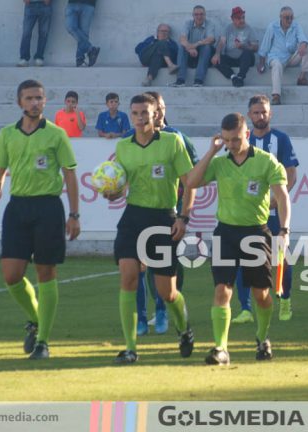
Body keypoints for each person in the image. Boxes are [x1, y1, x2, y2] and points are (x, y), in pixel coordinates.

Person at [0, 79, 80, 360]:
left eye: (39, 98)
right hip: (17, 208)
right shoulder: (6, 135)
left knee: (45, 273)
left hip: (48, 208)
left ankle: (43, 342)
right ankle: (36, 320)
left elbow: (70, 175)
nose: (35, 102)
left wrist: (74, 214)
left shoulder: (57, 134)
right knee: (11, 275)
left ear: (45, 101)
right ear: (19, 102)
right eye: (29, 98)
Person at [185, 113, 290, 366]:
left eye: (235, 139)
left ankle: (262, 338)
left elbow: (283, 197)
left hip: (256, 232)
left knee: (261, 294)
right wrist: (211, 152)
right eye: (226, 140)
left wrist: (284, 231)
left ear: (247, 134)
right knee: (222, 289)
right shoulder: (220, 163)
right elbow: (191, 182)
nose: (231, 144)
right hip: (226, 233)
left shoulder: (267, 162)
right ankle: (221, 348)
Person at [104, 93, 195, 364]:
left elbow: (189, 183)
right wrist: (112, 193)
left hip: (162, 220)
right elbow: (120, 185)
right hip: (133, 217)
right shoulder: (123, 147)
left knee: (166, 291)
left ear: (156, 114)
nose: (141, 117)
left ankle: (184, 329)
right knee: (128, 277)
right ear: (129, 116)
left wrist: (184, 218)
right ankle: (131, 348)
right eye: (135, 113)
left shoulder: (172, 142)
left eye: (145, 112)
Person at [133, 91, 198, 336]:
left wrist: (184, 211)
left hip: (169, 212)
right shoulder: (133, 138)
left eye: (160, 108)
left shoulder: (177, 138)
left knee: (167, 268)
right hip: (140, 212)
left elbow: (192, 175)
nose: (157, 113)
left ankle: (163, 310)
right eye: (154, 108)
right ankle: (143, 316)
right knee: (140, 265)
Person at [231, 95, 299, 324]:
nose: (261, 116)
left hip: (274, 214)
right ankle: (246, 308)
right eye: (256, 112)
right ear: (249, 115)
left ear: (270, 114)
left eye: (264, 112)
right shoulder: (241, 141)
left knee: (281, 260)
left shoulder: (281, 139)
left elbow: (291, 174)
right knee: (243, 259)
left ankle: (285, 299)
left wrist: (276, 200)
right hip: (248, 216)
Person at [257, 6, 308, 105]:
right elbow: (264, 46)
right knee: (277, 65)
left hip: (290, 58)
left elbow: (303, 38)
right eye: (286, 17)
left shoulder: (296, 26)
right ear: (281, 17)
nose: (289, 20)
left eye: (291, 17)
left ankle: (302, 78)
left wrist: (303, 44)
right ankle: (276, 95)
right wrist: (261, 63)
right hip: (275, 58)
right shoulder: (272, 26)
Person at [211, 7, 258, 88]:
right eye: (239, 18)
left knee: (247, 53)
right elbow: (221, 42)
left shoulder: (249, 29)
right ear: (232, 19)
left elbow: (256, 47)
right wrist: (217, 54)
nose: (242, 20)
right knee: (216, 59)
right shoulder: (227, 28)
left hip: (245, 60)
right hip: (231, 59)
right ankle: (233, 76)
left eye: (243, 17)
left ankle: (240, 77)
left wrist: (243, 46)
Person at [172, 5, 217, 88]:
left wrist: (195, 45)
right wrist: (190, 49)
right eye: (196, 14)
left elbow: (211, 39)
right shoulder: (188, 23)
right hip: (190, 56)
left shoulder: (210, 24)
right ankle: (180, 80)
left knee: (206, 47)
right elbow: (182, 39)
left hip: (204, 57)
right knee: (182, 47)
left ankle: (199, 80)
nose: (199, 17)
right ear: (193, 15)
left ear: (205, 15)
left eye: (201, 14)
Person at [65, 0, 100, 67]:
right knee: (70, 27)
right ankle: (91, 49)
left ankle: (80, 59)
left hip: (88, 4)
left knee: (84, 32)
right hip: (72, 3)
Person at [18, 0, 52, 67]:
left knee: (43, 32)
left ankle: (39, 57)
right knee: (26, 32)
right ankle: (24, 58)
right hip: (30, 5)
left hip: (45, 5)